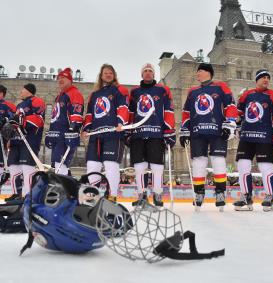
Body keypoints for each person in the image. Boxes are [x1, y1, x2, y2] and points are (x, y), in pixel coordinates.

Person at [179, 63, 237, 211]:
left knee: (218, 160)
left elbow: (230, 105)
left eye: (200, 71)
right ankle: (198, 193)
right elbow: (186, 112)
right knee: (198, 162)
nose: (197, 73)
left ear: (208, 73)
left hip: (217, 130)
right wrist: (185, 130)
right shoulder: (192, 91)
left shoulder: (220, 86)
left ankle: (220, 193)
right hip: (197, 131)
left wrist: (229, 123)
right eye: (197, 71)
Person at [233, 70, 273, 212]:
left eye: (268, 78)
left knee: (265, 166)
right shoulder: (247, 94)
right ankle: (246, 196)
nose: (266, 79)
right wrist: (236, 126)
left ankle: (270, 196)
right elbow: (238, 113)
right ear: (256, 79)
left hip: (264, 136)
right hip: (246, 136)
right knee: (242, 165)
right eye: (263, 77)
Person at [127, 63, 175, 207]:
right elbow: (130, 113)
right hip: (138, 134)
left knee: (157, 166)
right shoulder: (134, 92)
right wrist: (127, 132)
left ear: (154, 74)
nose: (148, 73)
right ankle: (141, 195)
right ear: (142, 74)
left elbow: (169, 111)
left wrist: (169, 131)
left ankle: (158, 194)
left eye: (150, 71)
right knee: (139, 167)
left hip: (156, 134)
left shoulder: (163, 90)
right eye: (145, 71)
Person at [81, 64, 129, 201]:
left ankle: (112, 196)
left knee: (111, 165)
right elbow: (90, 114)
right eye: (105, 73)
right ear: (101, 76)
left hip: (113, 134)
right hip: (95, 135)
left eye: (110, 73)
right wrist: (86, 129)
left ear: (114, 75)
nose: (108, 75)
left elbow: (123, 107)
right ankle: (92, 196)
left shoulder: (119, 90)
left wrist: (121, 122)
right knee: (92, 165)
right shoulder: (94, 95)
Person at [7, 83, 45, 197]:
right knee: (12, 166)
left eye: (22, 90)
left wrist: (23, 120)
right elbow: (15, 123)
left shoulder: (36, 101)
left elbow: (39, 120)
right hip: (16, 140)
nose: (20, 92)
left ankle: (28, 195)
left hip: (29, 140)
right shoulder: (19, 105)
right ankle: (15, 194)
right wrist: (9, 136)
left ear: (28, 91)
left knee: (27, 168)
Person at [45, 68, 84, 175]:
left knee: (60, 164)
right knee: (57, 165)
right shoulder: (60, 96)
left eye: (64, 78)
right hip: (58, 135)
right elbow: (55, 117)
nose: (60, 80)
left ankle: (64, 190)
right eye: (59, 78)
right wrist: (50, 133)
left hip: (66, 135)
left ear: (70, 80)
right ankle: (68, 189)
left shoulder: (74, 93)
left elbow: (77, 115)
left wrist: (73, 131)